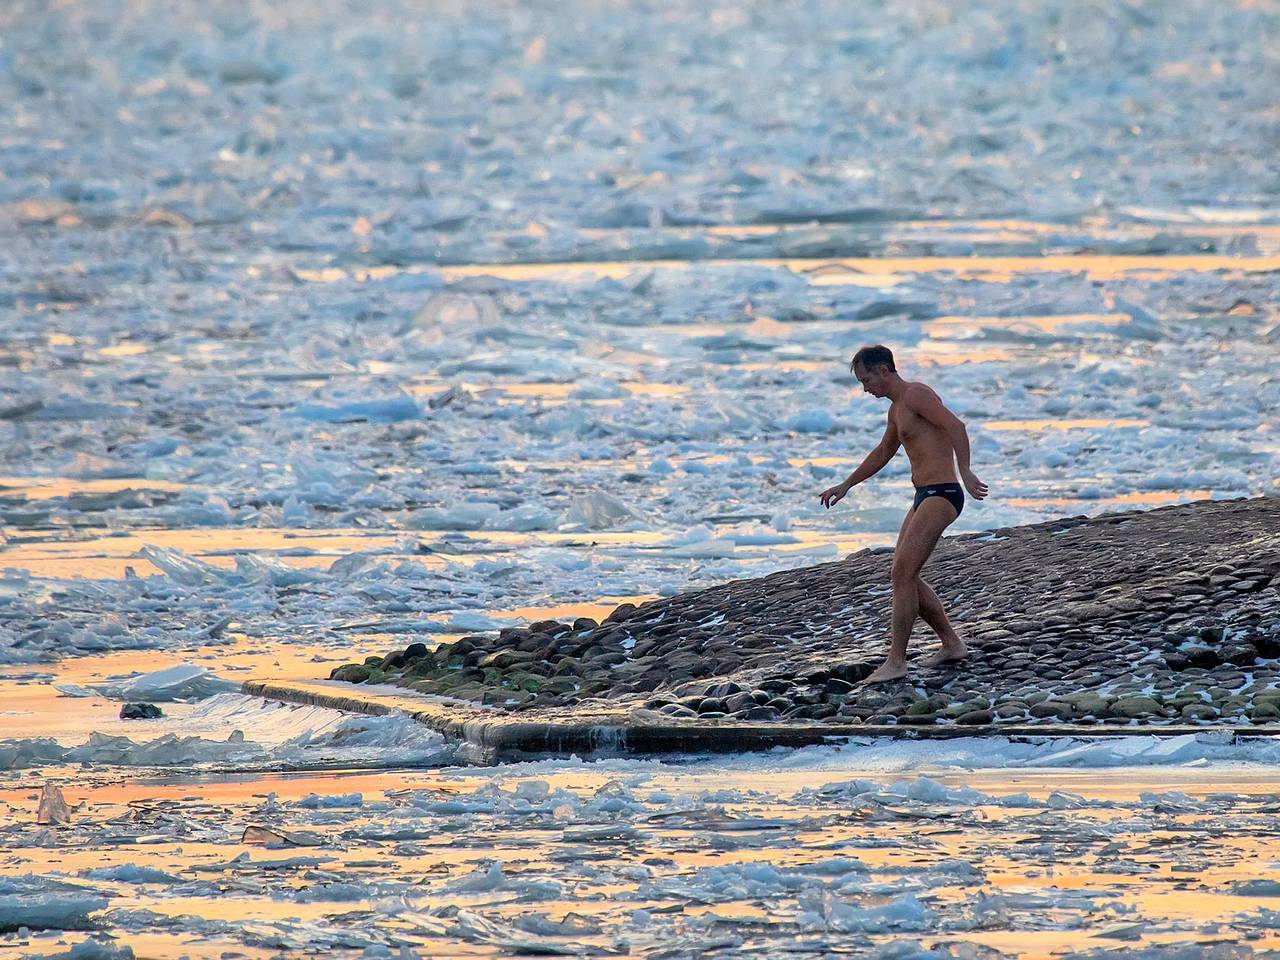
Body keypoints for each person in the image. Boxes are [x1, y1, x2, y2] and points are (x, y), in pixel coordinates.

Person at [819, 345, 988, 683]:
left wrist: (966, 470)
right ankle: (952, 644)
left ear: (884, 370)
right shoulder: (897, 410)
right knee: (902, 574)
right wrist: (847, 484)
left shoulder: (916, 395)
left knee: (902, 574)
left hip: (943, 493)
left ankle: (896, 661)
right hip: (923, 494)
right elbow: (884, 451)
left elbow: (957, 426)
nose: (865, 389)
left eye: (867, 380)